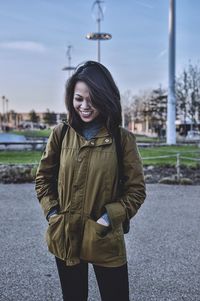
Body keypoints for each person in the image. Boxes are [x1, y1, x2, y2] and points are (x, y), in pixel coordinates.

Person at [35, 60, 146, 301]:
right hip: (66, 235)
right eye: (78, 99)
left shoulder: (122, 139)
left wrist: (108, 219)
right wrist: (53, 214)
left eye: (92, 98)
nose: (84, 106)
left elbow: (136, 190)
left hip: (105, 238)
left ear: (105, 97)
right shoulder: (60, 134)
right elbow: (43, 179)